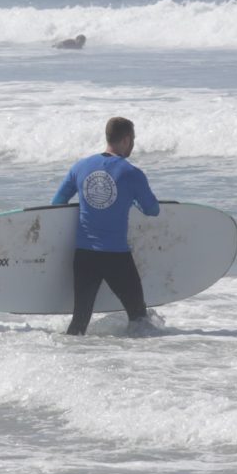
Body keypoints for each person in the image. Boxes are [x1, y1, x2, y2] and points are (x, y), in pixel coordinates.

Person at [51, 116, 160, 336]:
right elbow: (152, 210)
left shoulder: (80, 167)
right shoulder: (132, 174)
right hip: (116, 257)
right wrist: (131, 199)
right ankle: (143, 363)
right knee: (139, 318)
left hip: (84, 255)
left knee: (79, 321)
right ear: (127, 140)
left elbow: (57, 203)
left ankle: (70, 359)